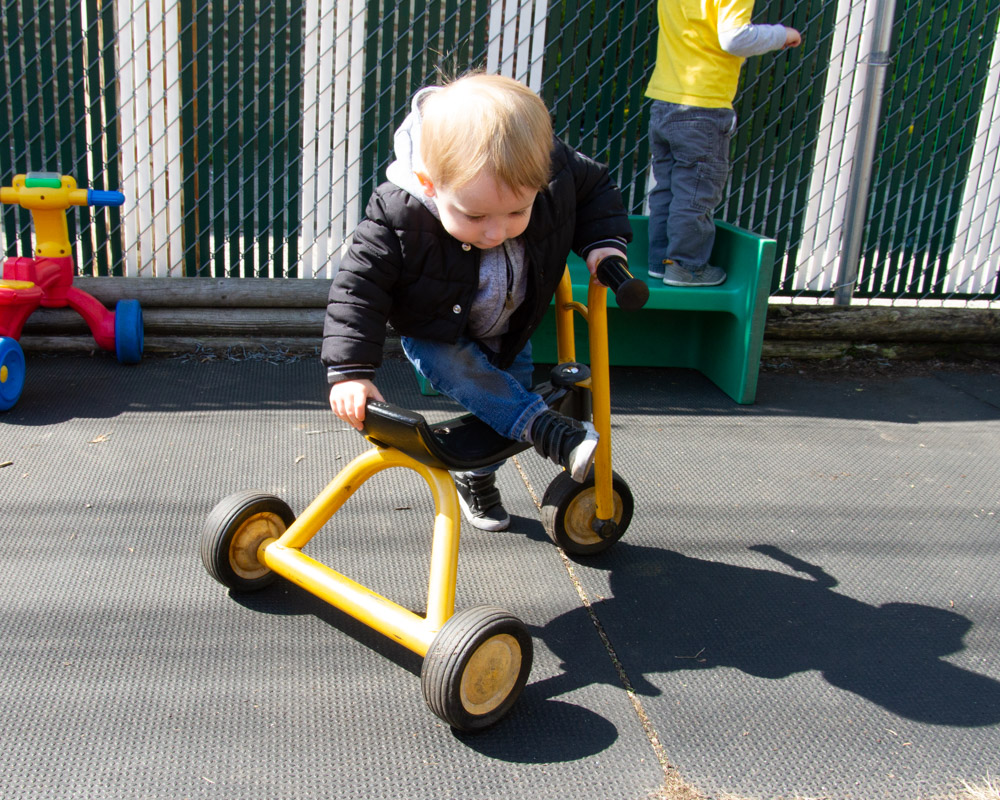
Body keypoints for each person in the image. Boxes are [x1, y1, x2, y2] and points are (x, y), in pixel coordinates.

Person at [322, 73, 632, 532]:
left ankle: (477, 476)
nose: (496, 231)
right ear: (430, 183)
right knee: (490, 388)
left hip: (510, 326)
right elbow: (358, 289)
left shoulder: (548, 167)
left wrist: (603, 243)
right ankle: (549, 432)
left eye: (517, 212)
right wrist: (350, 373)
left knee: (504, 404)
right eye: (474, 215)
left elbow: (592, 190)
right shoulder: (398, 212)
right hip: (435, 333)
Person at [645, 2, 801, 286]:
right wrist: (781, 34)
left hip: (664, 99)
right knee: (695, 190)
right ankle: (687, 266)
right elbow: (734, 38)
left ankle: (660, 261)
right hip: (703, 105)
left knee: (667, 187)